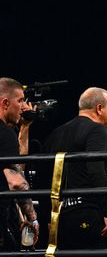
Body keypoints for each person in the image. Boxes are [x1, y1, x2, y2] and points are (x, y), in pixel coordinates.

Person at [41, 87, 107, 250]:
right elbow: (96, 168)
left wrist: (48, 218)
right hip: (88, 212)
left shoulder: (55, 134)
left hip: (60, 219)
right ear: (99, 108)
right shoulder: (97, 130)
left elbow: (43, 176)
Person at [0, 77, 39, 251]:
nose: (24, 107)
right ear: (5, 103)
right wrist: (32, 218)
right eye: (20, 100)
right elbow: (16, 182)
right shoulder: (5, 133)